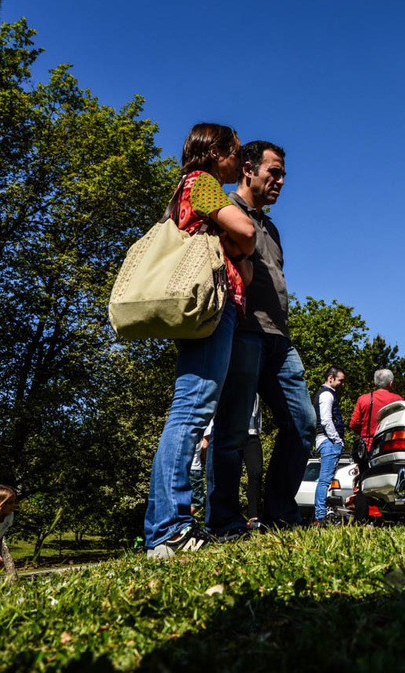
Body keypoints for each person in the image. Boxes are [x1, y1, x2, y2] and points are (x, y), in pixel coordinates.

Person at [143, 123, 256, 558]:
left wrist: (235, 243)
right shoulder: (204, 184)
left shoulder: (196, 189)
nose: (240, 161)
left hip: (214, 308)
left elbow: (244, 268)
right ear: (214, 152)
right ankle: (169, 529)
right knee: (190, 409)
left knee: (191, 407)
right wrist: (236, 236)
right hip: (211, 309)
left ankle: (166, 526)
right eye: (235, 153)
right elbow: (245, 236)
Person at [205, 141, 316, 535]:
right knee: (233, 430)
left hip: (279, 339)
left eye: (283, 174)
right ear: (248, 169)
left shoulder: (270, 227)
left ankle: (280, 513)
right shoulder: (224, 212)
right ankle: (224, 520)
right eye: (274, 172)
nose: (281, 181)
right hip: (241, 333)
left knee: (303, 423)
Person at [312, 367, 346, 524]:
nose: (342, 384)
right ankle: (320, 515)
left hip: (326, 440)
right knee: (325, 480)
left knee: (326, 479)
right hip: (328, 441)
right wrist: (337, 439)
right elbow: (326, 420)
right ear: (331, 378)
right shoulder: (327, 394)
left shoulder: (326, 394)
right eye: (341, 380)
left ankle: (321, 513)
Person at [349, 369, 404, 454]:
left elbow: (353, 424)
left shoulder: (363, 399)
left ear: (375, 383)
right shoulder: (398, 400)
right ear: (391, 383)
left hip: (367, 446)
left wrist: (364, 433)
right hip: (389, 445)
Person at [243, 395, 264, 527]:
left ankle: (253, 516)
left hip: (252, 433)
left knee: (256, 472)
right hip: (233, 431)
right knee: (230, 473)